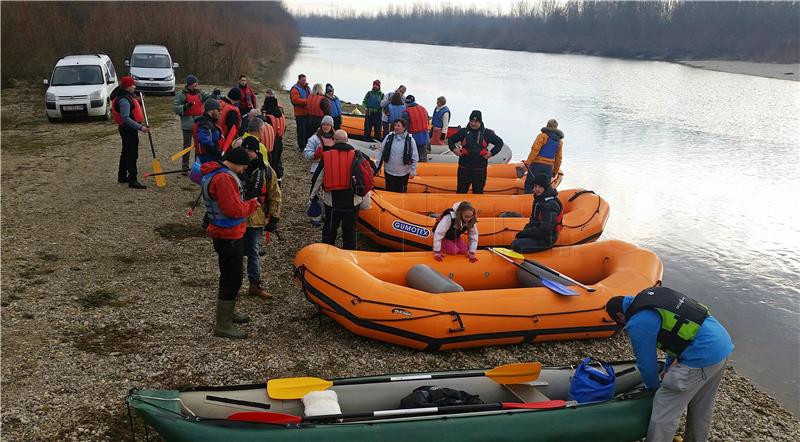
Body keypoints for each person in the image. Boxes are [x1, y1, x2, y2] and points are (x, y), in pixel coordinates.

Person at [605, 287, 734, 442]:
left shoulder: (638, 322)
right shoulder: (653, 297)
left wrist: (653, 388)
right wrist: (667, 368)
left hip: (702, 354)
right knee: (702, 405)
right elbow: (676, 336)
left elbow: (646, 364)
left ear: (620, 315)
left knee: (664, 407)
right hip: (722, 344)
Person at [199, 147, 261, 339]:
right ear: (236, 162)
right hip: (228, 234)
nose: (243, 170)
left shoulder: (216, 172)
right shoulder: (224, 179)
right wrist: (253, 204)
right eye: (243, 166)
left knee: (230, 274)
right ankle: (223, 325)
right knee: (232, 277)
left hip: (225, 233)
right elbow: (233, 209)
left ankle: (228, 313)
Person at [310, 130, 367, 250]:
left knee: (330, 231)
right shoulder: (357, 156)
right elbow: (364, 178)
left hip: (332, 202)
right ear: (347, 140)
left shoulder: (327, 156)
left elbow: (318, 178)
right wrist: (365, 201)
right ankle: (349, 258)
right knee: (350, 232)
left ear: (334, 140)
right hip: (352, 201)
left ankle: (327, 254)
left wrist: (312, 196)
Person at [240, 137, 282, 299]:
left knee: (253, 253)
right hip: (238, 217)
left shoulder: (266, 171)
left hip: (256, 218)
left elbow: (275, 195)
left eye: (249, 151)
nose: (247, 154)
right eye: (245, 150)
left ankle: (254, 285)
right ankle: (233, 285)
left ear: (256, 152)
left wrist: (274, 218)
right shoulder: (237, 168)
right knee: (236, 253)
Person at [448, 110, 504, 194]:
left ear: (480, 122)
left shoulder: (487, 133)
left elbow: (499, 142)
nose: (473, 124)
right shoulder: (463, 132)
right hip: (464, 169)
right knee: (461, 191)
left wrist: (491, 153)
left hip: (479, 170)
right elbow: (451, 140)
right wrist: (454, 149)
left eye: (476, 122)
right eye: (471, 121)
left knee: (478, 192)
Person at [110, 76, 149, 189]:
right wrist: (140, 128)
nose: (134, 86)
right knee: (132, 154)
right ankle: (133, 179)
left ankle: (122, 176)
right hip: (128, 130)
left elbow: (133, 108)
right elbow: (126, 118)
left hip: (126, 129)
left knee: (126, 152)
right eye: (133, 85)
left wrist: (140, 102)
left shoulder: (126, 96)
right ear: (127, 87)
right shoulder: (123, 100)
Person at [511, 174, 563, 253]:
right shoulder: (539, 199)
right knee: (518, 239)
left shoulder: (550, 205)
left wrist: (526, 233)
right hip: (538, 235)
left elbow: (545, 229)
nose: (537, 189)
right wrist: (525, 232)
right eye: (535, 186)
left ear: (545, 187)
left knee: (516, 245)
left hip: (546, 239)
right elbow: (533, 220)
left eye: (540, 187)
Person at [172, 75, 214, 173]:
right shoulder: (181, 94)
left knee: (198, 146)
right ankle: (185, 167)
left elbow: (209, 97)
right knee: (187, 146)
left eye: (197, 83)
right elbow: (175, 107)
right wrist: (185, 106)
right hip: (187, 124)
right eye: (195, 83)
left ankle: (197, 166)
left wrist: (214, 94)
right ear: (190, 84)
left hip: (199, 123)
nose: (197, 84)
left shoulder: (200, 93)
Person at [303, 115, 336, 226]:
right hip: (317, 168)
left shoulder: (335, 138)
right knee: (316, 192)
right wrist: (315, 155)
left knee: (328, 193)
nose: (325, 127)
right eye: (324, 124)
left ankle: (325, 214)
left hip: (331, 169)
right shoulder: (314, 138)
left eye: (328, 125)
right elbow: (306, 153)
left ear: (331, 126)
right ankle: (315, 216)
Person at [376, 118, 418, 193]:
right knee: (389, 190)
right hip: (389, 171)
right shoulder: (389, 137)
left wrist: (413, 170)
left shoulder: (410, 140)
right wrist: (377, 166)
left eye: (398, 126)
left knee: (401, 192)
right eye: (395, 125)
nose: (396, 127)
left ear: (404, 127)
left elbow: (414, 157)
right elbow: (381, 152)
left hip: (403, 173)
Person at [524, 119, 564, 194]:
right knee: (545, 187)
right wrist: (555, 171)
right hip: (548, 168)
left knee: (529, 185)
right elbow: (559, 158)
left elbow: (535, 150)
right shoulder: (559, 142)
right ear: (556, 128)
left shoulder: (542, 136)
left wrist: (528, 162)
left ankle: (527, 200)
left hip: (536, 165)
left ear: (547, 125)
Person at [261, 95, 286, 181]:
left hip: (271, 142)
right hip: (280, 141)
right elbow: (284, 128)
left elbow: (265, 131)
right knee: (277, 160)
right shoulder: (281, 114)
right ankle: (278, 177)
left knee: (270, 162)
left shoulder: (267, 117)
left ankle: (270, 179)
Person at [193, 99, 224, 164]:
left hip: (212, 157)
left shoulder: (210, 122)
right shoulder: (204, 124)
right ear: (211, 110)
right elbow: (204, 139)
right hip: (207, 159)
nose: (220, 112)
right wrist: (216, 149)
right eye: (218, 110)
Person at [402, 95, 430, 163]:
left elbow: (404, 126)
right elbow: (427, 120)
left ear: (406, 103)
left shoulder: (406, 112)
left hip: (414, 138)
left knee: (413, 158)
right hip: (425, 137)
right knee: (423, 158)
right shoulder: (423, 109)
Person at [290, 74, 311, 150]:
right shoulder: (295, 89)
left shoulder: (308, 88)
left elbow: (311, 96)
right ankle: (301, 147)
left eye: (305, 80)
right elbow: (295, 100)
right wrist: (307, 101)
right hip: (300, 114)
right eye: (303, 80)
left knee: (308, 130)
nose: (304, 81)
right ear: (299, 80)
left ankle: (306, 145)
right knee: (301, 131)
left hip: (308, 113)